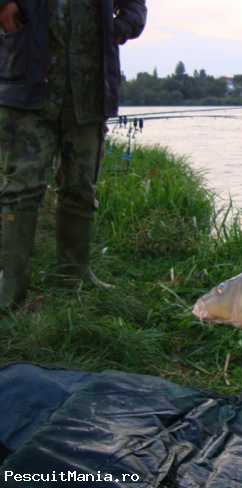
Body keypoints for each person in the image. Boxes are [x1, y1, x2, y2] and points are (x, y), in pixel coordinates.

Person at [0, 0, 147, 309]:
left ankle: (72, 277)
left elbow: (135, 6)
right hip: (27, 83)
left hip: (90, 89)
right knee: (20, 189)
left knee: (80, 187)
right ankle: (10, 286)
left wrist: (122, 26)